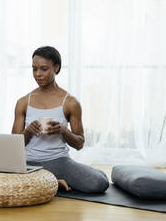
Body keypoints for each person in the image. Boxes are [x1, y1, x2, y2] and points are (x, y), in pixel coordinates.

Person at [12, 46, 109, 192]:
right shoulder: (23, 102)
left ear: (56, 68)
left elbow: (79, 144)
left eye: (43, 69)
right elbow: (13, 147)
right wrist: (28, 131)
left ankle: (44, 182)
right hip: (28, 164)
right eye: (34, 69)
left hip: (58, 162)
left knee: (99, 182)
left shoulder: (70, 103)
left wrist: (64, 131)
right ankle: (53, 182)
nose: (38, 74)